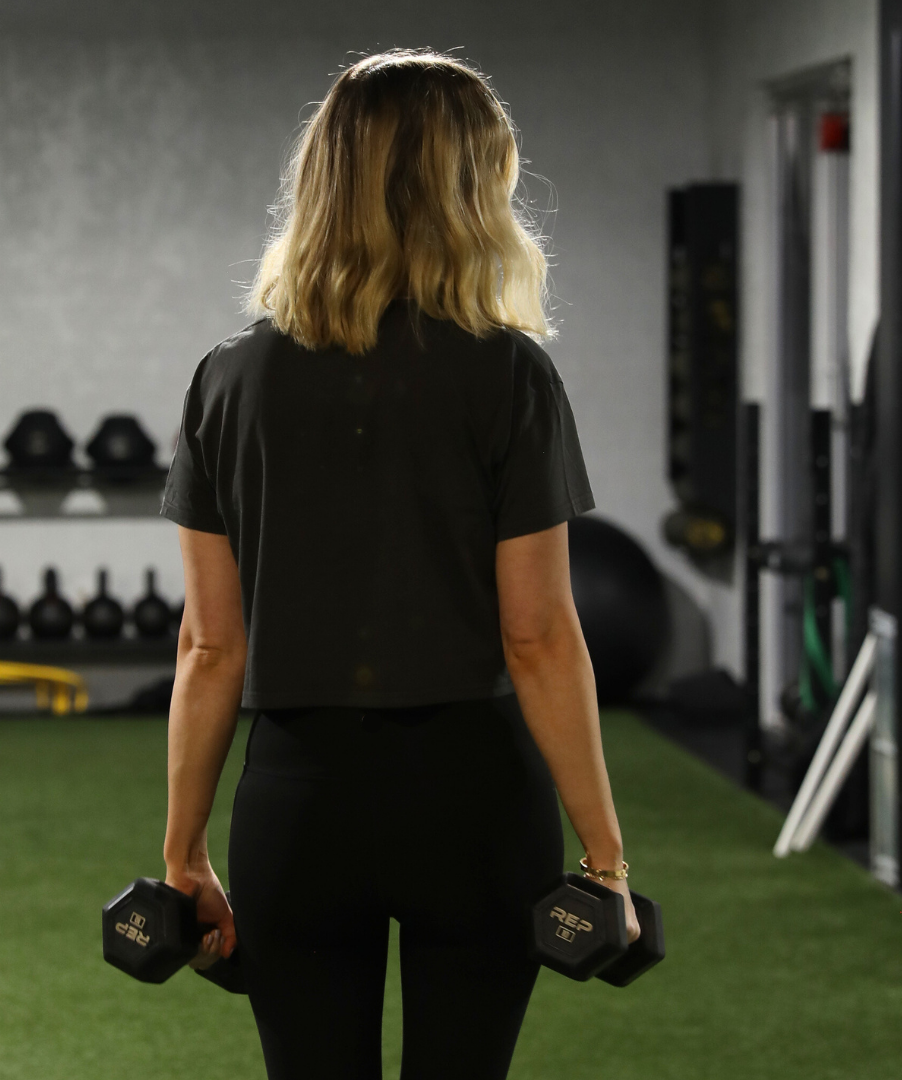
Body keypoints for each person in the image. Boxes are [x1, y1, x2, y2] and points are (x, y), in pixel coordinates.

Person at [158, 49, 640, 1080]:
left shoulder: (227, 380)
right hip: (471, 802)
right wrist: (604, 861)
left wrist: (183, 855)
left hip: (298, 804)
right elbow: (540, 634)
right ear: (470, 191)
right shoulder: (509, 374)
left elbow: (209, 645)